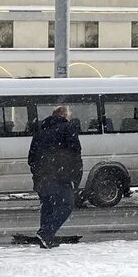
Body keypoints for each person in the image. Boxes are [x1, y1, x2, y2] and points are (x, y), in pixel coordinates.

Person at [28, 106, 83, 248]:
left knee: (48, 206)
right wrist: (75, 177)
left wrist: (38, 173)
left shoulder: (40, 131)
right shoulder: (68, 128)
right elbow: (75, 154)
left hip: (42, 177)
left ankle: (46, 238)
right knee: (66, 205)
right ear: (64, 115)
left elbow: (31, 158)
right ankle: (46, 233)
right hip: (60, 176)